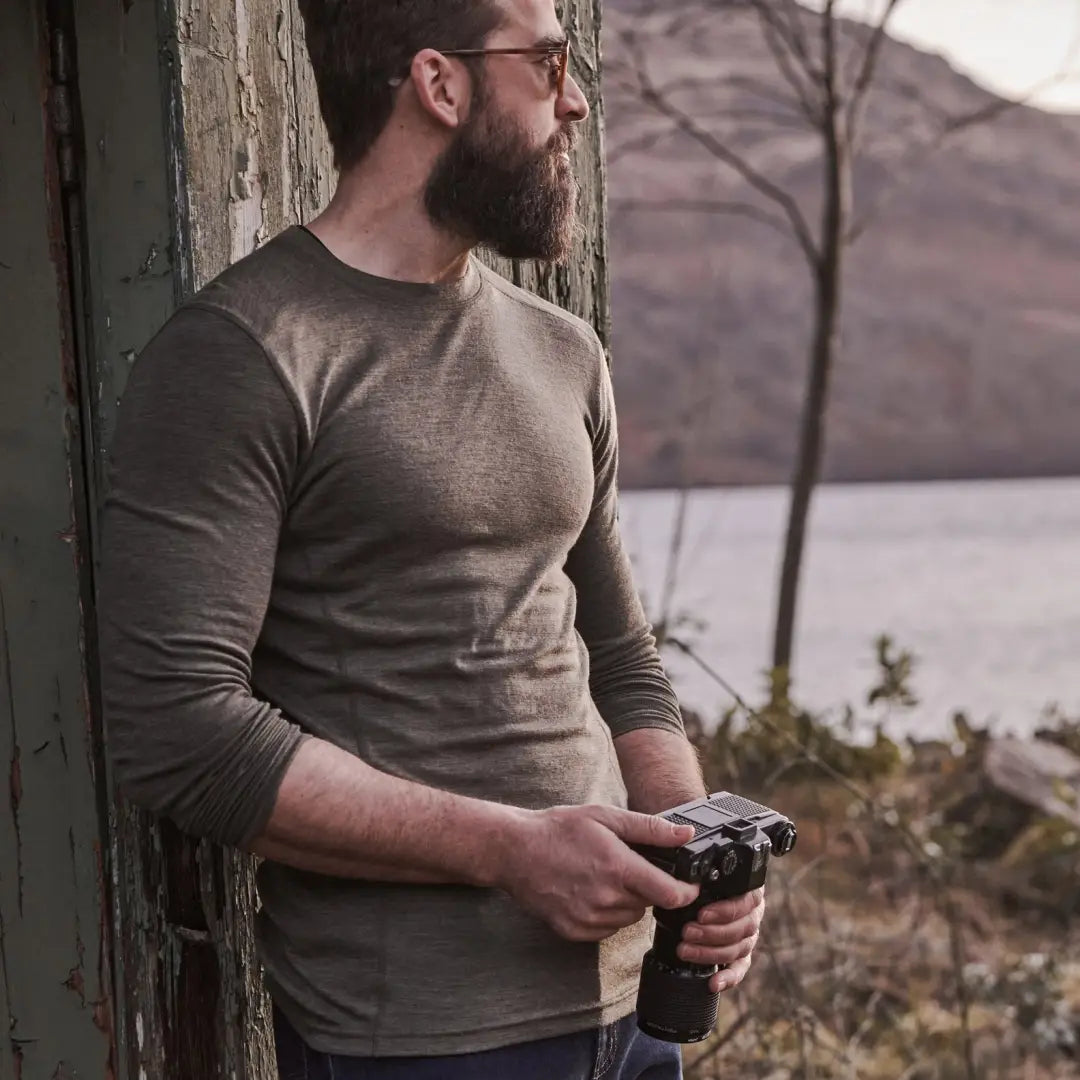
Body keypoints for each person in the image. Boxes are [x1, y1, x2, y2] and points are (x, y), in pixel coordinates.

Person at [98, 0, 765, 1077]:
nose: (577, 99)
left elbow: (624, 661)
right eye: (549, 62)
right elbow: (181, 729)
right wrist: (509, 852)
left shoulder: (563, 352)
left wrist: (701, 846)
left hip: (635, 1021)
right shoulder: (243, 355)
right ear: (439, 85)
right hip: (416, 1039)